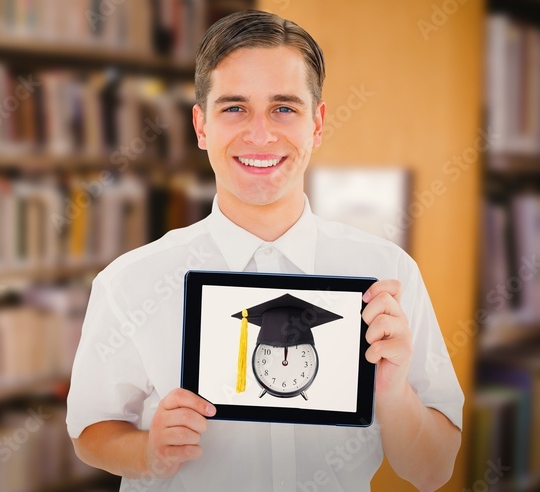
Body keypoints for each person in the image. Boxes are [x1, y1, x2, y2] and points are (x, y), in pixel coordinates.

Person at [65, 10, 463, 492]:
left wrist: (394, 392)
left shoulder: (386, 277)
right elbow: (91, 431)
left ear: (316, 124)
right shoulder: (133, 281)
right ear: (201, 125)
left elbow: (432, 471)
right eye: (234, 108)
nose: (259, 134)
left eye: (284, 108)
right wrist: (148, 452)